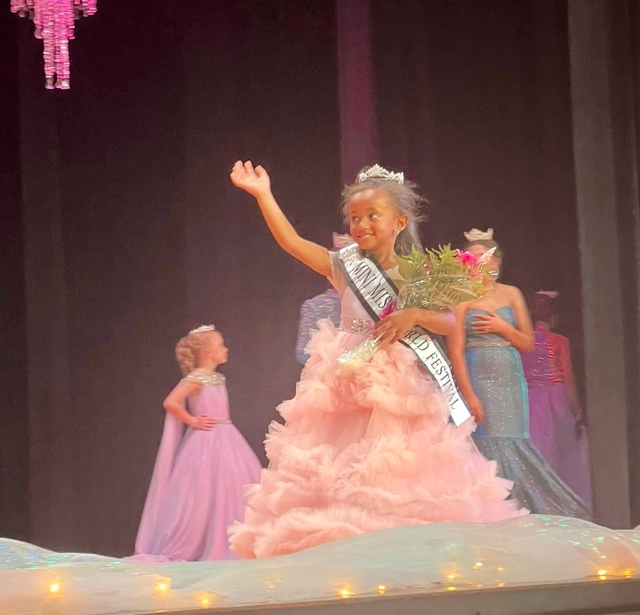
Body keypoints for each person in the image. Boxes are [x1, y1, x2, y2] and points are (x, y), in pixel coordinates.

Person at [227, 161, 524, 560]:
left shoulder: (419, 271)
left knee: (391, 464)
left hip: (394, 383)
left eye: (372, 215)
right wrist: (263, 195)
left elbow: (448, 321)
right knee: (334, 466)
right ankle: (340, 548)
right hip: (343, 379)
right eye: (354, 217)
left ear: (399, 222)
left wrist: (413, 315)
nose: (361, 224)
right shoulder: (344, 265)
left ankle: (396, 554)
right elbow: (292, 242)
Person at [447, 229, 590, 518]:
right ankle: (493, 512)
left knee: (513, 439)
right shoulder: (459, 298)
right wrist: (468, 394)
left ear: (495, 260)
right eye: (469, 257)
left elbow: (527, 343)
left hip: (510, 378)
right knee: (485, 441)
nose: (475, 262)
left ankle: (526, 509)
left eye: (481, 256)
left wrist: (502, 328)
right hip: (478, 376)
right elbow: (455, 352)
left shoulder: (511, 294)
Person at [130, 325, 261, 562]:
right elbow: (171, 402)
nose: (225, 349)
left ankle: (234, 540)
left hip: (227, 436)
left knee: (232, 484)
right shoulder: (196, 378)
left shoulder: (218, 378)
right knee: (203, 490)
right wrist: (191, 420)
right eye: (221, 345)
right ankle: (207, 542)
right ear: (209, 352)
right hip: (205, 441)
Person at [520, 291, 592, 507]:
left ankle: (539, 499)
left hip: (531, 400)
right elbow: (568, 377)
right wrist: (577, 408)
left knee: (539, 449)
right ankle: (562, 499)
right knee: (562, 450)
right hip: (556, 398)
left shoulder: (522, 341)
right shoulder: (560, 341)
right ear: (553, 317)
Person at [295, 234, 349, 365]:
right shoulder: (314, 305)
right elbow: (302, 353)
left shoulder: (371, 303)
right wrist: (331, 353)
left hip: (368, 372)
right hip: (329, 374)